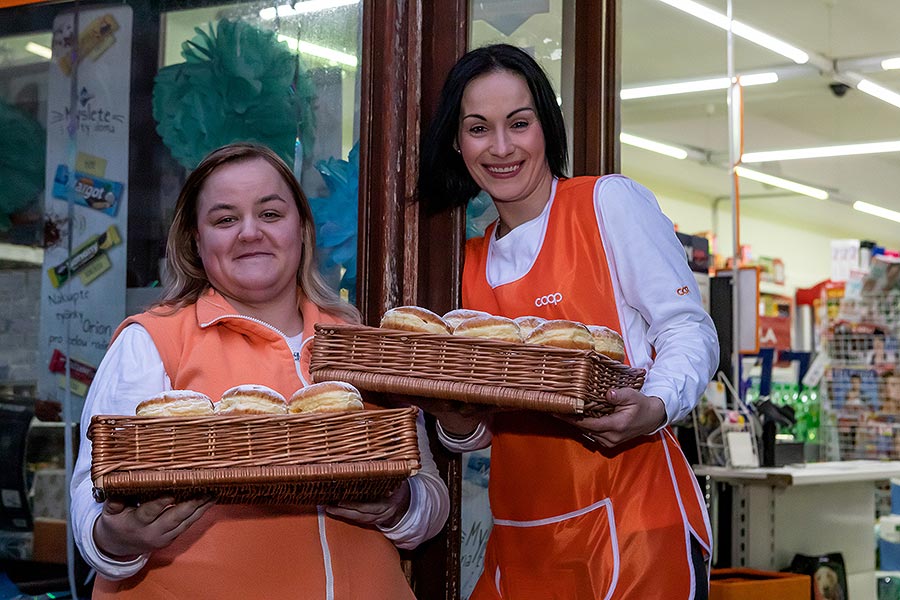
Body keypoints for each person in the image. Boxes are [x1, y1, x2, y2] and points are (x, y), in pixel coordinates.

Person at [71, 142, 449, 599]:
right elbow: (90, 506)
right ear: (196, 239)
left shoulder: (359, 344)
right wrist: (118, 538)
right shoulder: (151, 341)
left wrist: (398, 506)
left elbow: (429, 500)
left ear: (303, 229)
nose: (250, 233)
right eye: (225, 219)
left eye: (270, 214)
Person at [417, 44, 719, 599]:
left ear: (546, 129)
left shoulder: (607, 204)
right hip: (521, 538)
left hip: (634, 525)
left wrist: (653, 406)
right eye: (479, 128)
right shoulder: (466, 265)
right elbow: (480, 430)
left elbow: (688, 328)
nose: (501, 147)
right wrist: (453, 417)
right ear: (457, 144)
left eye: (519, 123)